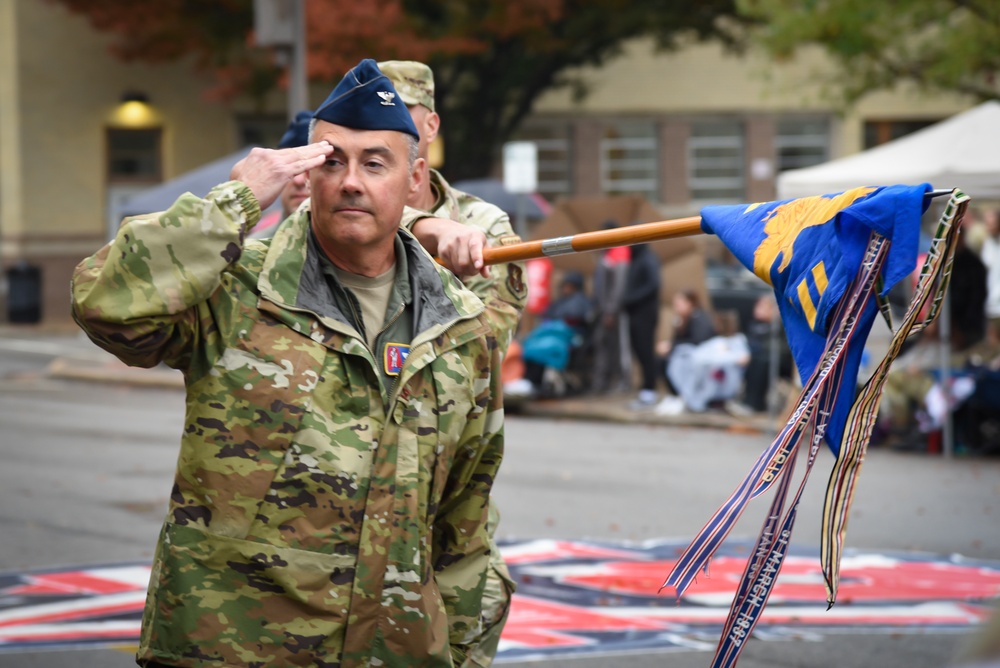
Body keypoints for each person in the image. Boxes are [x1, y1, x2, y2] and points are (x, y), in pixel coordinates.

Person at [71, 59, 505, 667]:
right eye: (331, 161)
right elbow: (106, 306)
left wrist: (462, 651)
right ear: (307, 172)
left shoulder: (459, 324)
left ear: (414, 178)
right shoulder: (233, 288)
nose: (351, 181)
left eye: (374, 163)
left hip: (397, 649)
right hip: (235, 647)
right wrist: (236, 201)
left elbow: (466, 519)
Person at [379, 59, 527, 667]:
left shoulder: (484, 225)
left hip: (443, 472)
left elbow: (481, 349)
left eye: (405, 123)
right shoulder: (336, 216)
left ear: (431, 126)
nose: (392, 138)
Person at [655, 289, 717, 414]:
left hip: (700, 357)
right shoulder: (681, 319)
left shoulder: (699, 318)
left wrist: (671, 346)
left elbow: (698, 340)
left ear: (689, 303)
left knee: (668, 361)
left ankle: (681, 396)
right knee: (661, 360)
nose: (675, 307)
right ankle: (674, 395)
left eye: (678, 304)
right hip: (683, 354)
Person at [589, 221, 632, 394]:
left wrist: (611, 310)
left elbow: (619, 285)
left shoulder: (620, 251)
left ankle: (623, 381)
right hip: (603, 310)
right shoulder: (606, 253)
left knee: (620, 347)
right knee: (603, 344)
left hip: (614, 312)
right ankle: (602, 382)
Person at [623, 242, 661, 409]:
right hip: (635, 314)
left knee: (646, 351)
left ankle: (649, 390)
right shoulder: (637, 259)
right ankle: (645, 388)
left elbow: (653, 284)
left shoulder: (648, 259)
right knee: (639, 350)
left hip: (644, 314)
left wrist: (631, 299)